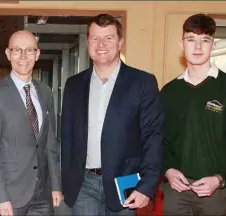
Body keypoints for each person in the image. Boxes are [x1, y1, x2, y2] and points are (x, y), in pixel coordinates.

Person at [60, 14, 164, 215]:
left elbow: (153, 137)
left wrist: (147, 186)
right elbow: (67, 138)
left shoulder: (142, 83)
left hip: (125, 183)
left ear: (120, 42)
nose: (101, 44)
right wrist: (67, 182)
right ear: (88, 42)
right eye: (95, 38)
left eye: (108, 37)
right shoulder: (73, 85)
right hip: (83, 185)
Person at [160, 14, 226, 215]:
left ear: (214, 45)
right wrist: (167, 170)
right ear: (181, 44)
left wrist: (219, 178)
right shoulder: (169, 91)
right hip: (176, 189)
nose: (198, 47)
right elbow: (160, 139)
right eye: (191, 39)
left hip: (214, 192)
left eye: (205, 40)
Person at [0, 30, 63, 216]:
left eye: (29, 50)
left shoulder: (45, 92)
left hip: (42, 194)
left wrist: (56, 185)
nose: (23, 56)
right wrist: (0, 197)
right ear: (8, 54)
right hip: (10, 195)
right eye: (17, 50)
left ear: (37, 54)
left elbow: (50, 143)